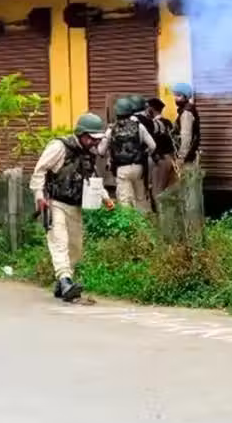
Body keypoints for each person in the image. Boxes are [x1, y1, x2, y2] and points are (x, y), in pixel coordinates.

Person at [31, 113, 113, 302]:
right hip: (54, 202)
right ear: (81, 134)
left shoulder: (88, 153)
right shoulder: (59, 147)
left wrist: (105, 198)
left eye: (97, 139)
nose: (94, 142)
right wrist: (39, 196)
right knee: (59, 241)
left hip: (75, 205)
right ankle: (66, 280)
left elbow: (92, 178)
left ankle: (62, 283)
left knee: (75, 248)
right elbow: (40, 170)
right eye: (91, 138)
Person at [99, 96, 156, 212]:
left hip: (122, 169)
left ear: (117, 112)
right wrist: (144, 153)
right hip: (138, 167)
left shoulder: (111, 129)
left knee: (125, 201)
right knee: (140, 198)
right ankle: (144, 220)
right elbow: (153, 146)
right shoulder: (139, 126)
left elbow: (101, 151)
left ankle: (129, 222)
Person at [136, 97, 177, 202]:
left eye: (147, 108)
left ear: (151, 109)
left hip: (160, 160)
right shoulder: (168, 122)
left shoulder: (153, 124)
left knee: (157, 191)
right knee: (165, 189)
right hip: (170, 158)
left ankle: (160, 212)